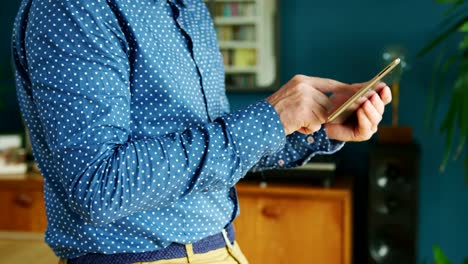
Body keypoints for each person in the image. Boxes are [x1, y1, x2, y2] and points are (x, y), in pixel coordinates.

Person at [12, 0, 391, 263]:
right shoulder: (72, 7)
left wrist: (321, 127)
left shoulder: (191, 9)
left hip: (224, 247)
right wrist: (269, 118)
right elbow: (98, 185)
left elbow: (215, 157)